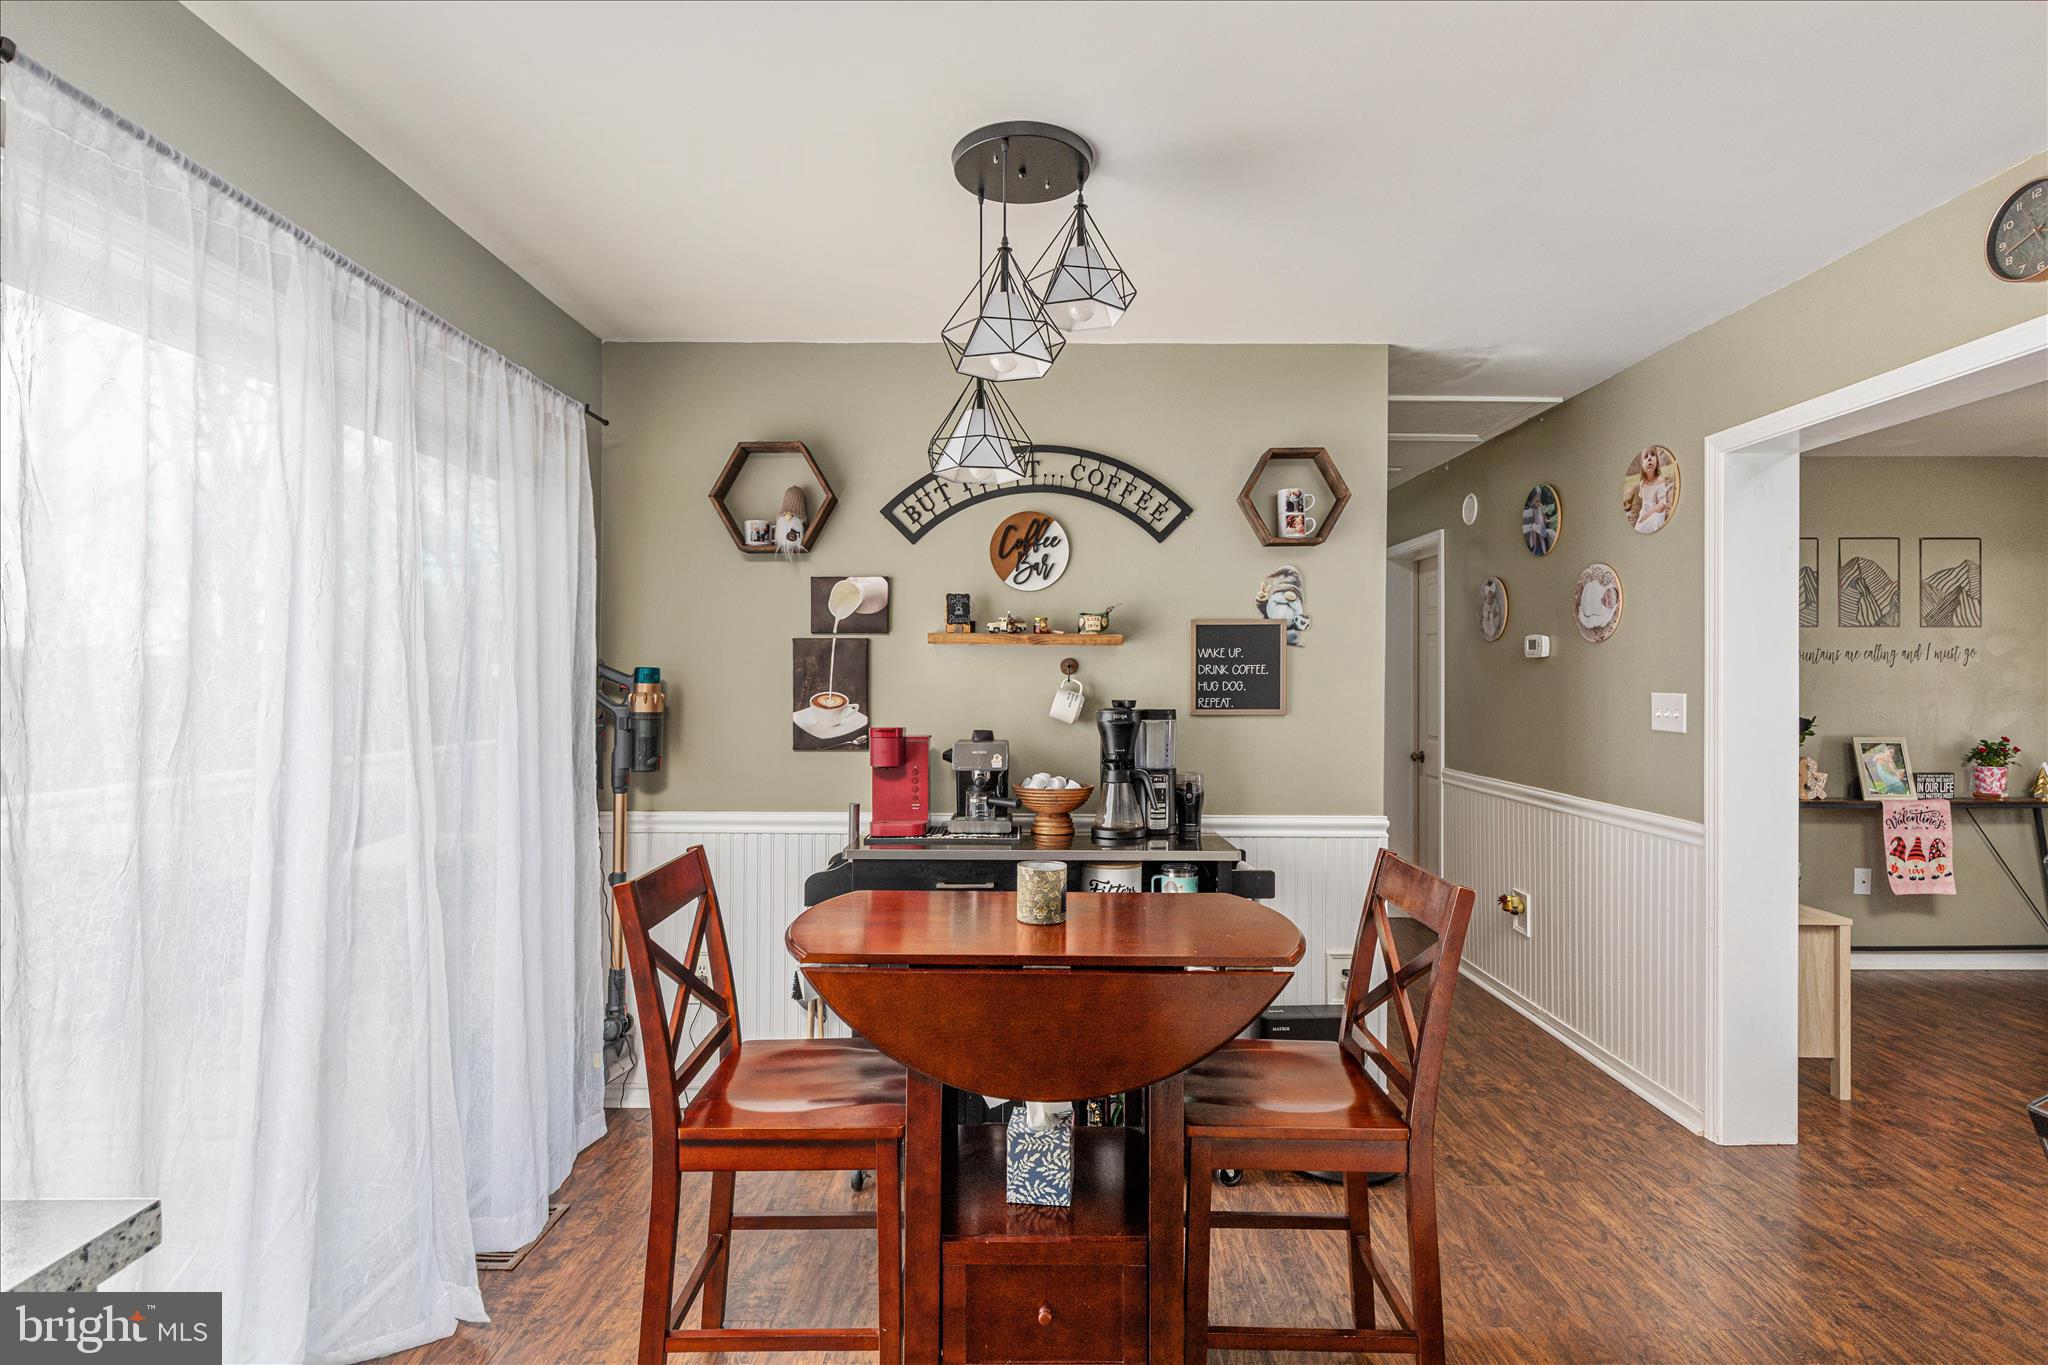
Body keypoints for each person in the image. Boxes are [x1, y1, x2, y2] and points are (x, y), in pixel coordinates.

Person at [1624, 447, 1675, 533]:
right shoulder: (1642, 484)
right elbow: (1643, 501)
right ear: (1642, 465)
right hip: (1644, 514)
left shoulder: (1660, 481)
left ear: (1657, 461)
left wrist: (1647, 514)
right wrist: (1643, 515)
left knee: (1652, 523)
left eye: (1652, 454)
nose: (1649, 458)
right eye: (1646, 457)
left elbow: (1661, 505)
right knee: (1639, 528)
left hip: (1656, 514)